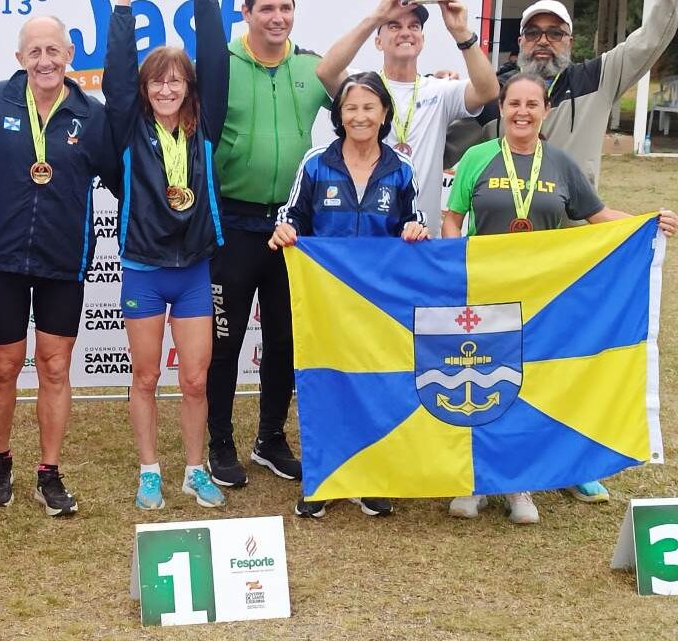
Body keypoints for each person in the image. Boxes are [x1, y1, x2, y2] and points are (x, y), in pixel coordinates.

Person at [443, 73, 678, 523]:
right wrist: (459, 261)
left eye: (532, 104)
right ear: (503, 108)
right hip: (485, 293)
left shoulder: (561, 164)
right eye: (514, 103)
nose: (522, 112)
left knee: (528, 386)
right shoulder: (477, 158)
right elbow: (453, 219)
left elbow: (599, 216)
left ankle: (520, 487)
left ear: (545, 110)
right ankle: (473, 482)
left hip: (542, 297)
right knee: (486, 383)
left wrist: (649, 222)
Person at [0, 17, 117, 517]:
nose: (45, 60)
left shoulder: (92, 117)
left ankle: (49, 472)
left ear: (70, 53)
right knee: (3, 367)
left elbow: (125, 183)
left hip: (62, 260)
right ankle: (0, 459)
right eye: (35, 51)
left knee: (54, 366)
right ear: (19, 57)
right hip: (2, 259)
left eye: (54, 50)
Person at [269, 71, 429, 519]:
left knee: (377, 386)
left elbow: (411, 219)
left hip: (380, 303)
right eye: (350, 108)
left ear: (384, 114)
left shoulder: (401, 168)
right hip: (327, 301)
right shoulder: (317, 163)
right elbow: (292, 214)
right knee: (325, 387)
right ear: (339, 115)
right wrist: (285, 230)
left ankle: (372, 478)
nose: (360, 116)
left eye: (369, 107)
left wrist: (414, 229)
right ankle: (322, 481)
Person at [103, 0, 228, 509]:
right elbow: (115, 77)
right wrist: (121, 10)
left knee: (196, 380)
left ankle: (195, 470)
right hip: (144, 270)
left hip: (194, 268)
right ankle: (150, 470)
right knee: (147, 376)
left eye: (176, 80)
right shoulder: (130, 129)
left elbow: (216, 61)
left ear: (189, 88)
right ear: (144, 88)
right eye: (156, 81)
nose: (166, 89)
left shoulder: (205, 128)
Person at [206, 0, 333, 492]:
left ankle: (270, 439)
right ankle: (220, 442)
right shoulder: (222, 64)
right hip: (232, 224)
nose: (277, 17)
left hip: (290, 227)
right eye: (266, 8)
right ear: (245, 11)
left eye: (286, 7)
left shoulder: (310, 66)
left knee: (283, 339)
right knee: (225, 341)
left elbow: (365, 104)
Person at [314, 0, 499, 238]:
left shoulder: (440, 90)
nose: (405, 32)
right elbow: (325, 70)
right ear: (378, 41)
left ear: (422, 39)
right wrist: (377, 16)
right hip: (369, 234)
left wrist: (461, 32)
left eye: (414, 26)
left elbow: (488, 91)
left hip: (420, 235)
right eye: (393, 25)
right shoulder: (362, 86)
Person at [477, 0, 678, 191]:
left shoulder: (596, 79)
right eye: (533, 33)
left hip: (575, 224)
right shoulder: (493, 91)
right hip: (504, 223)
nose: (543, 41)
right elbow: (449, 144)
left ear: (570, 42)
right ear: (521, 42)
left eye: (555, 33)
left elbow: (649, 40)